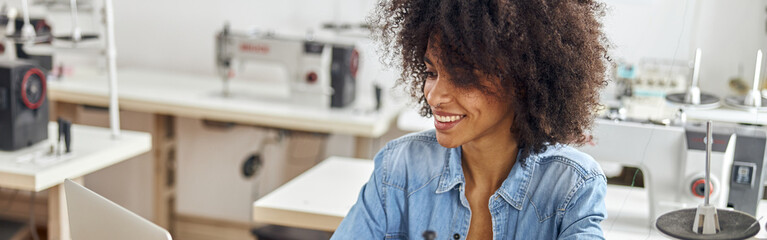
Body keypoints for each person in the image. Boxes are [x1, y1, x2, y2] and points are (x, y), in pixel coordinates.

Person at [332, 0, 609, 239]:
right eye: (431, 73)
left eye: (462, 78)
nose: (434, 96)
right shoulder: (398, 168)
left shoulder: (571, 185)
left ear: (522, 81)